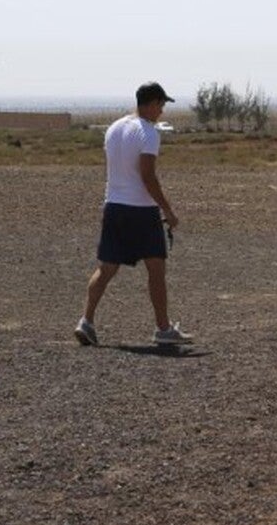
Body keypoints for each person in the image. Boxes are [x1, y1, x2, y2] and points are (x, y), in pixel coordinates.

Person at [75, 82, 193, 346]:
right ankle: (163, 329)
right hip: (141, 211)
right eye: (161, 105)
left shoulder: (114, 129)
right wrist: (168, 210)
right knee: (156, 269)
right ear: (150, 103)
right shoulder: (149, 133)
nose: (162, 111)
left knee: (106, 268)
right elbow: (148, 176)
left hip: (114, 206)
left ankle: (86, 321)